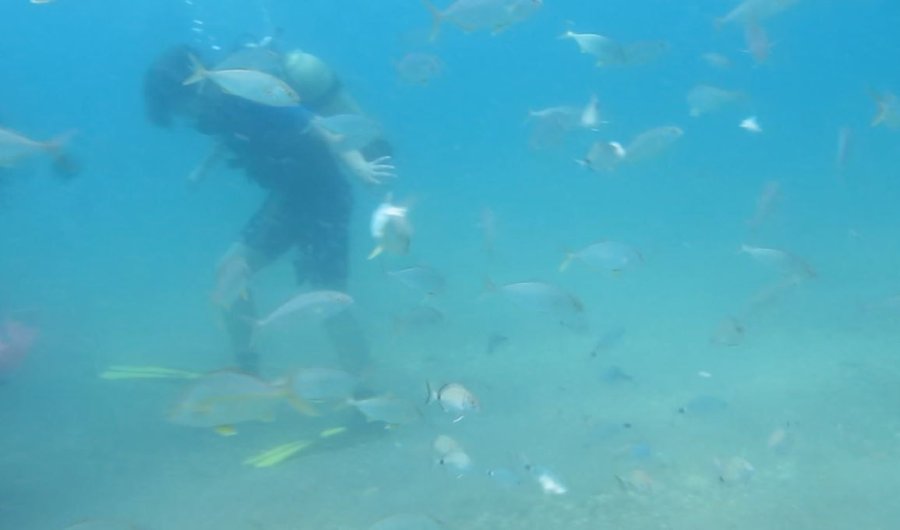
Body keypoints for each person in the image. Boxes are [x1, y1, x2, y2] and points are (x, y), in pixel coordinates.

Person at [143, 43, 394, 375]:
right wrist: (201, 170)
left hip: (326, 197)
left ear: (193, 86)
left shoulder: (251, 94)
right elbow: (230, 138)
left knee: (330, 300)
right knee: (231, 270)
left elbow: (321, 126)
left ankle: (366, 393)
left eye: (179, 106)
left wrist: (361, 167)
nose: (185, 116)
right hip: (286, 199)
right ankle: (247, 369)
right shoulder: (220, 107)